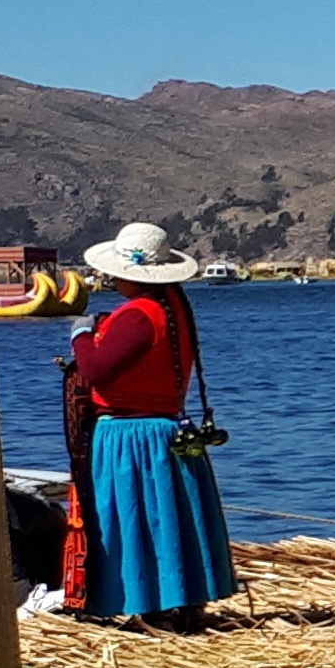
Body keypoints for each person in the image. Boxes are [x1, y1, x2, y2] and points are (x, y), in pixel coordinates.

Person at [67, 220, 237, 630]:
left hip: (131, 435)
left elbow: (94, 369)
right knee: (170, 517)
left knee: (132, 519)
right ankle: (186, 600)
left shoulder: (138, 316)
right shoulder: (172, 304)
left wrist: (81, 334)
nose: (109, 278)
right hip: (167, 429)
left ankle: (149, 605)